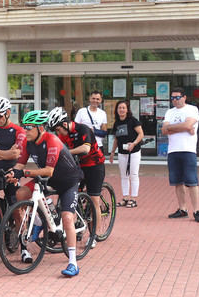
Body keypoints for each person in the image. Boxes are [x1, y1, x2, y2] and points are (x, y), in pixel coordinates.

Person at [8, 110, 84, 277]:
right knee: (20, 195)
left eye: (29, 127)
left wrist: (24, 173)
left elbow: (49, 171)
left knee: (67, 218)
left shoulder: (52, 141)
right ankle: (40, 220)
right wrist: (13, 173)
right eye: (24, 127)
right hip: (47, 179)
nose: (25, 130)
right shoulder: (28, 142)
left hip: (68, 182)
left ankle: (73, 262)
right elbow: (20, 166)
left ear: (40, 128)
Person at [47, 106, 104, 248]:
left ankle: (93, 236)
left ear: (65, 124)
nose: (58, 133)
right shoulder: (61, 134)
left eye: (58, 129)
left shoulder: (83, 129)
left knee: (94, 200)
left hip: (94, 166)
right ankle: (77, 223)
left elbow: (85, 149)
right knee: (71, 194)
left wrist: (67, 152)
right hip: (78, 167)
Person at [162, 87, 199, 223]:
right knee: (177, 182)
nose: (175, 100)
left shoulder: (192, 109)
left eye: (177, 97)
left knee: (192, 182)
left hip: (188, 150)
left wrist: (172, 127)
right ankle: (182, 209)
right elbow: (164, 130)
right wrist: (183, 127)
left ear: (184, 97)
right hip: (173, 150)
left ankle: (196, 210)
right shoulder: (169, 112)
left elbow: (188, 125)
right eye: (172, 98)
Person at [109, 100, 144, 207]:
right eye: (119, 108)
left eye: (123, 108)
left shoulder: (133, 121)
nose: (121, 110)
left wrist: (134, 144)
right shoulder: (117, 123)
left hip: (134, 152)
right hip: (122, 152)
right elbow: (116, 139)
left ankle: (133, 199)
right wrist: (112, 152)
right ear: (117, 110)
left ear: (127, 109)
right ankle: (125, 197)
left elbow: (141, 134)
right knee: (124, 175)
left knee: (133, 174)